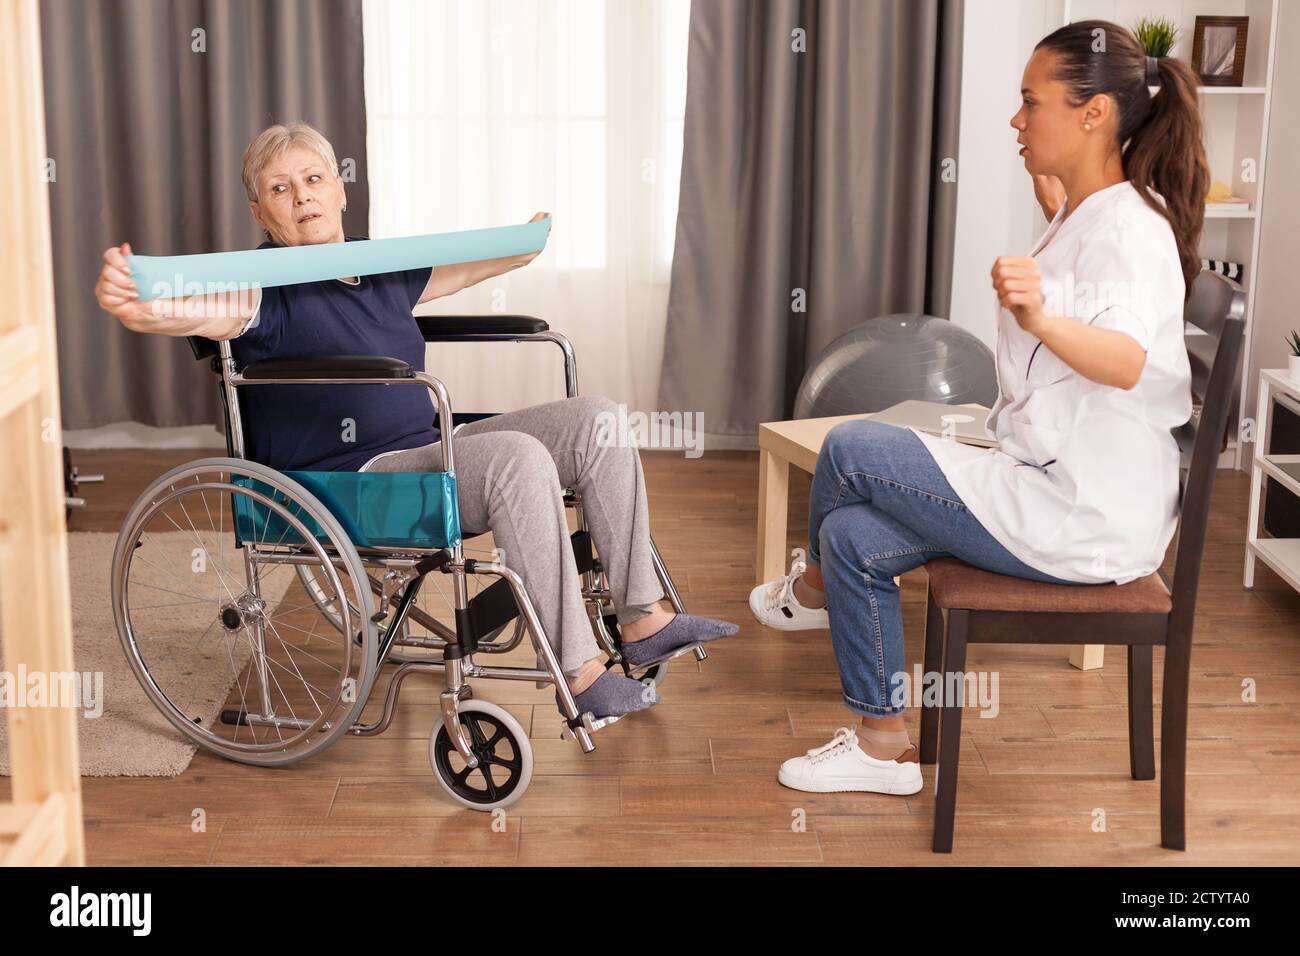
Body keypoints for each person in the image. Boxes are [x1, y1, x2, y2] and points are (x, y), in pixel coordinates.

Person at [96, 122, 737, 720]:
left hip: (431, 447)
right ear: (261, 214)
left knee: (596, 420)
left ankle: (643, 621)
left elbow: (473, 265)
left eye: (313, 180)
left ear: (340, 189)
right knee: (517, 456)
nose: (303, 199)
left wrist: (524, 244)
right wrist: (131, 302)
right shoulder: (255, 284)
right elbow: (171, 309)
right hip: (351, 479)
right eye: (280, 190)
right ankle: (578, 673)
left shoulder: (380, 265)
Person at [750, 20, 1208, 795]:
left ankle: (815, 591)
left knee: (851, 450)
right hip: (1060, 483)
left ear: (1094, 113)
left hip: (1082, 516)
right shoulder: (1095, 210)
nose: (1016, 120)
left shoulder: (1127, 231)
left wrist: (1042, 319)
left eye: (1032, 103)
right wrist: (1056, 205)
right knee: (854, 532)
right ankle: (884, 745)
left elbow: (1126, 361)